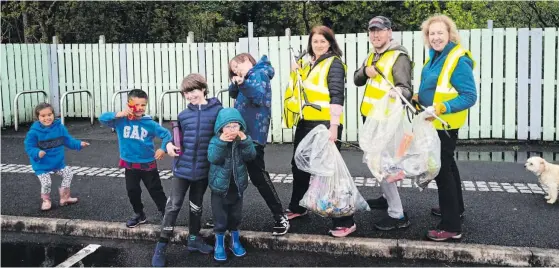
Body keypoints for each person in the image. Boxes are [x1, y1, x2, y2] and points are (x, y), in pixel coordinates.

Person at [287, 25, 356, 237]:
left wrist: (334, 126)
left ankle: (345, 220)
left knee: (329, 172)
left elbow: (337, 96)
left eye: (322, 41)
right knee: (299, 165)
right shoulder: (309, 63)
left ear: (330, 43)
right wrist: (296, 71)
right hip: (307, 121)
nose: (318, 45)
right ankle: (299, 206)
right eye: (315, 41)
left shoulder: (334, 64)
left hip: (326, 123)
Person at [416, 14, 477, 241]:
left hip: (445, 124)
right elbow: (435, 87)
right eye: (432, 33)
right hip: (436, 121)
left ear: (450, 34)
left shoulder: (457, 59)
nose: (436, 37)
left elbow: (469, 96)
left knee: (442, 172)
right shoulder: (435, 57)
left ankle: (451, 226)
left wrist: (442, 107)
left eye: (440, 32)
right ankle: (455, 209)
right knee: (449, 166)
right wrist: (418, 97)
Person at [151, 74, 222, 266]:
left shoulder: (218, 112)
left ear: (203, 89)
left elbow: (223, 134)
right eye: (186, 93)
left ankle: (193, 240)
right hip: (181, 170)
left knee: (196, 206)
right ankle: (161, 247)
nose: (190, 96)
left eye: (193, 90)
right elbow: (173, 139)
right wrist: (168, 146)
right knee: (173, 206)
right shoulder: (183, 115)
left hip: (204, 170)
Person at [353, 16, 412, 231]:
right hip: (372, 119)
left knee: (382, 165)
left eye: (380, 30)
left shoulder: (399, 56)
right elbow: (356, 79)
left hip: (387, 122)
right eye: (372, 31)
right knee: (376, 163)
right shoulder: (372, 56)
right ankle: (386, 198)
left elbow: (405, 88)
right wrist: (364, 71)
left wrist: (398, 92)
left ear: (390, 32)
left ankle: (397, 215)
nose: (375, 34)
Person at [221, 52, 289, 236]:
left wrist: (242, 83)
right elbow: (234, 94)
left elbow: (258, 97)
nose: (236, 70)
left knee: (258, 176)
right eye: (233, 69)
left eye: (238, 65)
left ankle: (279, 216)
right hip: (239, 133)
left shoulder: (260, 73)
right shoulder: (248, 78)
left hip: (253, 136)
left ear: (248, 61)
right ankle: (225, 216)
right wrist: (236, 83)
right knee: (232, 175)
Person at [99, 89, 171, 228]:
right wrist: (118, 114)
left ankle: (166, 213)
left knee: (155, 190)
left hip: (147, 164)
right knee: (132, 191)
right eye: (135, 104)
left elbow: (167, 135)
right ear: (128, 104)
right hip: (130, 164)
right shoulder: (120, 121)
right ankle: (139, 214)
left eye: (143, 105)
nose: (139, 108)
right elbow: (102, 118)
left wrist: (163, 148)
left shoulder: (149, 123)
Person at [207, 108, 257, 261]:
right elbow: (213, 158)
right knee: (220, 217)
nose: (231, 130)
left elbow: (251, 156)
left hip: (237, 186)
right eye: (228, 126)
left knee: (236, 215)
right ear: (221, 128)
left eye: (235, 126)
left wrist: (245, 141)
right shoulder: (216, 140)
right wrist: (221, 142)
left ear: (240, 127)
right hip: (219, 187)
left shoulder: (242, 140)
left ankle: (235, 241)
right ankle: (219, 242)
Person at [24, 102, 89, 211]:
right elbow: (29, 147)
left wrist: (79, 144)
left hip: (57, 162)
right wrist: (37, 153)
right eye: (43, 116)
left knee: (68, 173)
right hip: (41, 164)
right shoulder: (34, 132)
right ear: (37, 117)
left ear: (54, 114)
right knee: (47, 182)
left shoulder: (60, 128)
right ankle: (46, 200)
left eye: (49, 114)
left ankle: (65, 197)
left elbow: (68, 140)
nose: (47, 118)